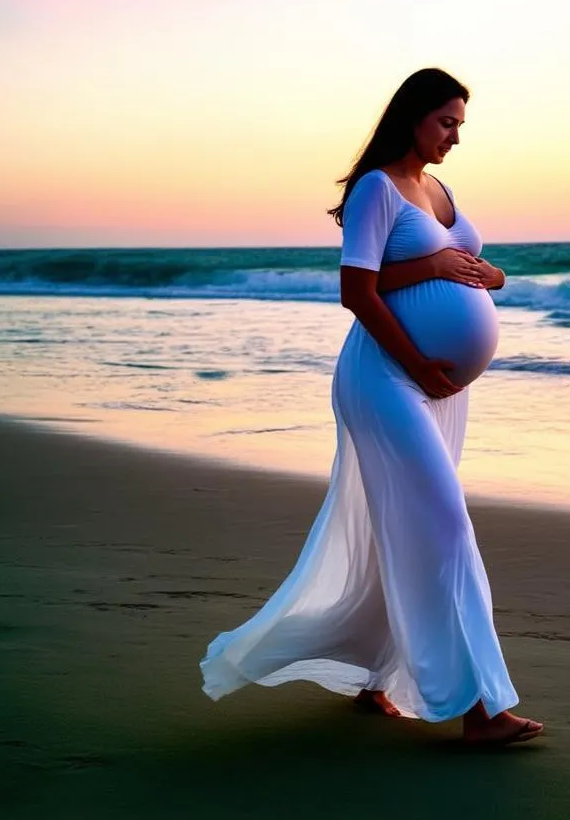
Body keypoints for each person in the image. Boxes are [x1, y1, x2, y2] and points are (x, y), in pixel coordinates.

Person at [200, 67, 544, 746]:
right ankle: (480, 712)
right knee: (443, 526)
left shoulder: (440, 190)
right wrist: (419, 354)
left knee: (406, 526)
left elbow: (470, 264)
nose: (454, 136)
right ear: (413, 116)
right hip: (387, 377)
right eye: (446, 122)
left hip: (440, 392)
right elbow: (358, 291)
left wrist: (489, 275)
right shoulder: (375, 190)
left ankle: (370, 678)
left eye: (460, 126)